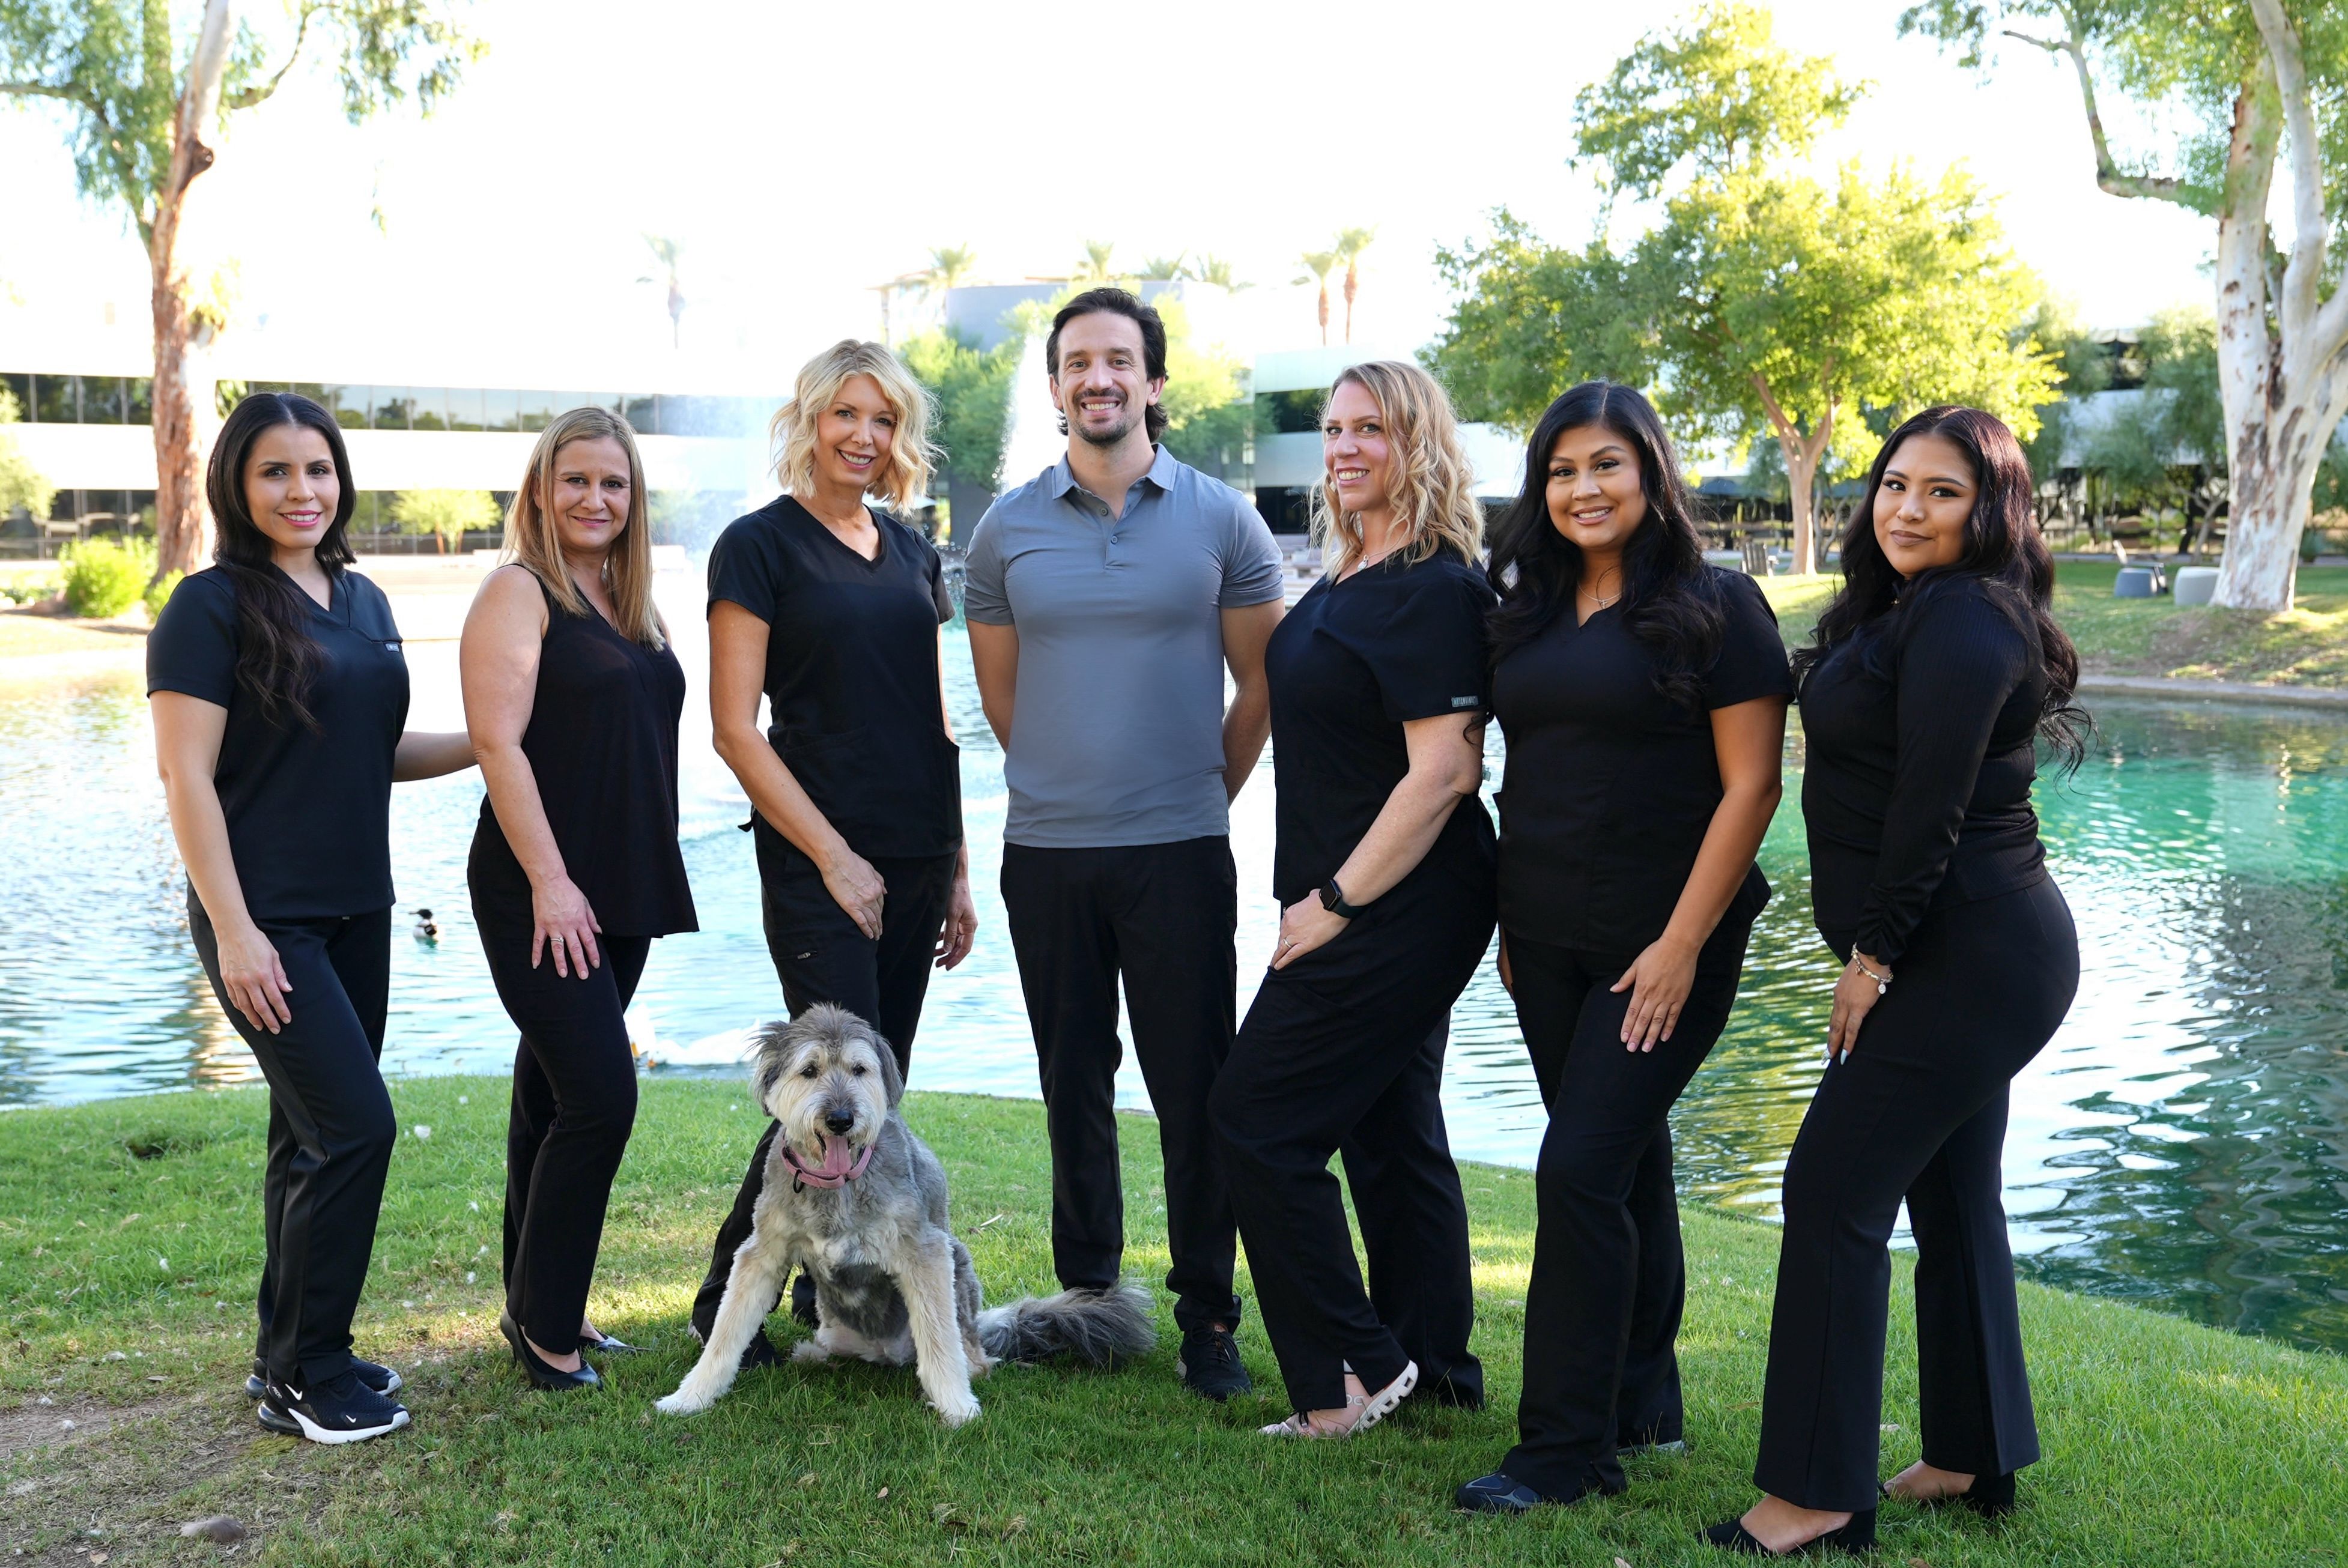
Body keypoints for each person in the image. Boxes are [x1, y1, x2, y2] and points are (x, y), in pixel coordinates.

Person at [1705, 406, 2086, 1555]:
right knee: (1952, 1191)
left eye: (1942, 492)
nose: (1907, 509)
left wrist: (1870, 960)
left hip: (1964, 954)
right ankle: (1972, 1456)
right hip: (1971, 948)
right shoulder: (1912, 607)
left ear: (1991, 511)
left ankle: (1816, 1496)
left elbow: (1931, 806)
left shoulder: (1966, 616)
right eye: (1894, 484)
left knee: (1830, 1192)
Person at [1452, 383, 1791, 1507]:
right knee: (1626, 1163)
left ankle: (1563, 1453)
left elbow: (1752, 788)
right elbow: (1529, 774)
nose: (1582, 489)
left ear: (1650, 472)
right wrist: (1512, 925)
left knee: (1578, 1171)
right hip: (1544, 938)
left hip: (1663, 947)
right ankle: (1644, 1406)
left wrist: (1682, 944)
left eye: (1605, 465)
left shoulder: (1718, 605)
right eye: (1560, 471)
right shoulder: (1529, 608)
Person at [963, 287, 1285, 1400]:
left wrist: (1196, 795)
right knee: (1073, 1079)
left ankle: (1208, 1318)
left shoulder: (1222, 520)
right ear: (1056, 386)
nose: (1096, 378)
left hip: (1179, 852)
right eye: (1075, 363)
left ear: (1153, 381)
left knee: (1194, 1088)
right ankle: (1090, 1301)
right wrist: (1075, 783)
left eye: (1116, 360)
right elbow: (1003, 701)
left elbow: (1260, 688)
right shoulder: (1004, 530)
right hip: (1047, 853)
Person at [149, 392, 475, 1443]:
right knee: (354, 1129)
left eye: (319, 469)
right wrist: (234, 929)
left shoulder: (364, 599)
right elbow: (186, 778)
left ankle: (285, 1356)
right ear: (237, 486)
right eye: (276, 471)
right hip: (265, 918)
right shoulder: (208, 608)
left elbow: (373, 752)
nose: (303, 490)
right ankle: (311, 1375)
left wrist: (491, 740)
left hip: (358, 910)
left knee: (306, 1137)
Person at [1209, 361, 1495, 1438]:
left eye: (1370, 429)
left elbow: (1445, 771)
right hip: (1353, 892)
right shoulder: (1349, 574)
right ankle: (1436, 1369)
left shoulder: (1435, 587)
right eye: (1333, 430)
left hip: (1396, 903)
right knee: (1391, 1131)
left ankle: (1352, 1374)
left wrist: (1333, 900)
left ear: (1417, 443)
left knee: (1255, 1123)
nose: (1343, 449)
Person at [686, 340, 977, 1364]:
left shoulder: (911, 550)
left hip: (918, 850)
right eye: (845, 414)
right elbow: (734, 730)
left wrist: (956, 866)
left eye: (883, 419)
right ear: (808, 421)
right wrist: (834, 857)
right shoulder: (755, 547)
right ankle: (728, 1296)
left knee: (870, 1093)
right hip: (820, 863)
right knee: (819, 1087)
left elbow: (937, 717)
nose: (864, 435)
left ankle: (836, 1301)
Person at [462, 406, 698, 1391]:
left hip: (622, 882)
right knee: (601, 1098)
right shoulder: (518, 592)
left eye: (613, 483)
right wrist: (551, 884)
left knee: (551, 1094)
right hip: (541, 887)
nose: (595, 499)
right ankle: (547, 1331)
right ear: (540, 489)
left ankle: (537, 1301)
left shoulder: (631, 603)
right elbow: (497, 744)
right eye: (576, 480)